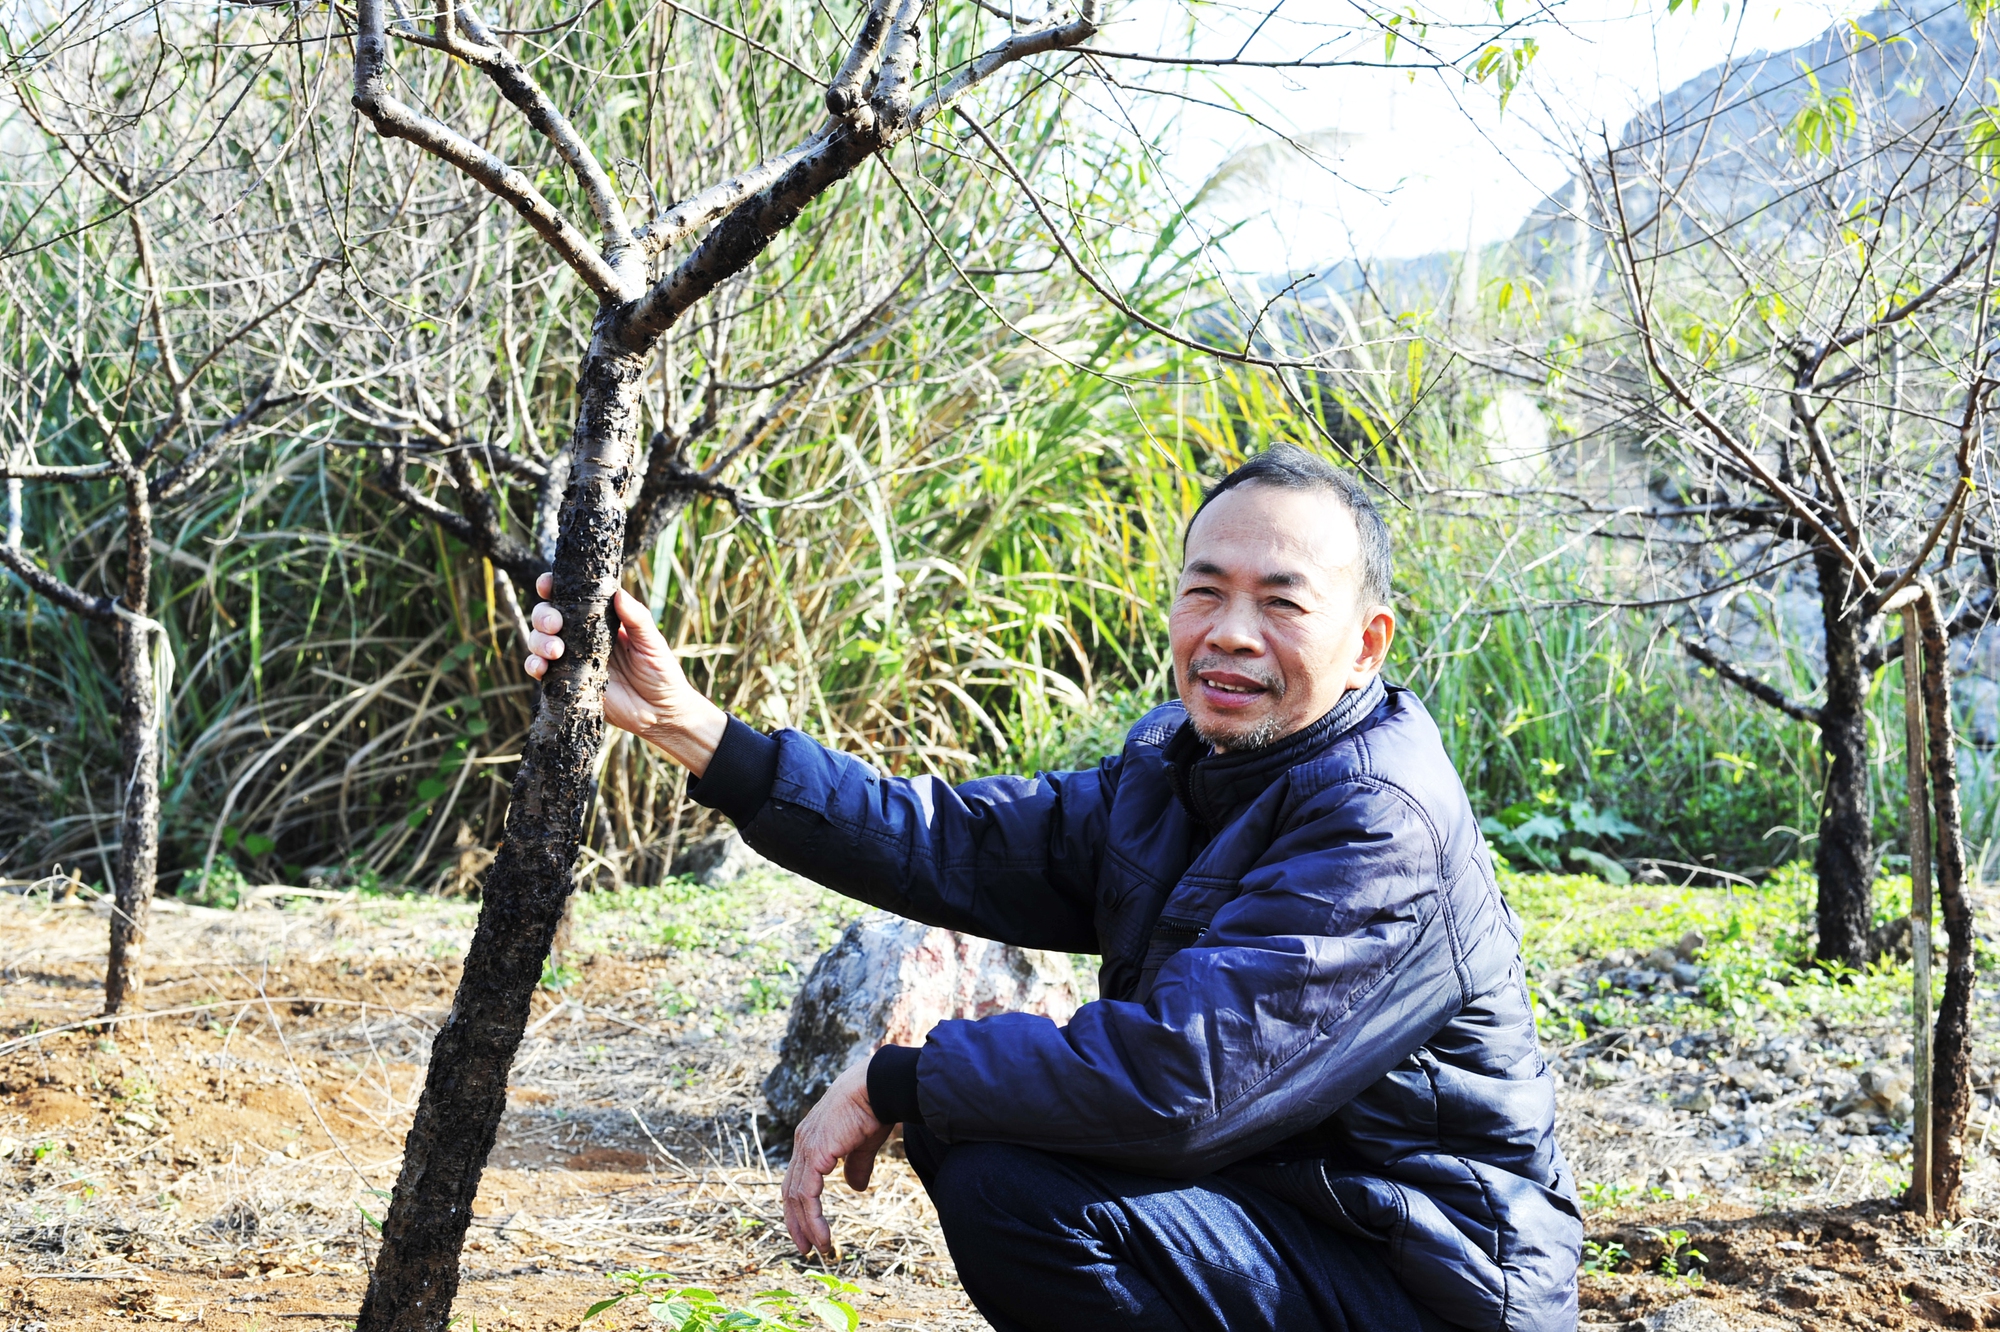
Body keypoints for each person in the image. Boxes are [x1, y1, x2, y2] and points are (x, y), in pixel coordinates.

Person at [523, 444, 1581, 1332]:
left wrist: (897, 1078)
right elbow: (951, 843)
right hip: (1287, 1209)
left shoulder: (1374, 817)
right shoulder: (1181, 766)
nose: (1229, 633)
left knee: (1005, 1174)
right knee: (991, 1129)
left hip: (1428, 1277)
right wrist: (689, 728)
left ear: (1364, 645)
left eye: (1280, 603)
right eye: (1204, 590)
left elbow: (1179, 1083)